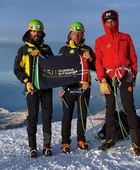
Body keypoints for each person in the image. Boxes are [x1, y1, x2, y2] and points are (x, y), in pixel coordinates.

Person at [94, 10, 140, 156]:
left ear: (117, 21)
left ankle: (136, 141)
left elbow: (133, 56)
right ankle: (110, 138)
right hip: (109, 75)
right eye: (107, 21)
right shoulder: (100, 41)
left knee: (129, 106)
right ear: (104, 23)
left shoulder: (125, 37)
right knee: (110, 107)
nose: (110, 23)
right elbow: (98, 62)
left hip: (125, 74)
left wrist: (133, 75)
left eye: (112, 21)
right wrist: (102, 79)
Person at [14, 19, 54, 158]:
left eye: (38, 31)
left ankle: (47, 145)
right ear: (29, 32)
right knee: (33, 117)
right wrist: (26, 81)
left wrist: (42, 56)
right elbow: (17, 69)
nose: (36, 34)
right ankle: (33, 147)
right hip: (32, 88)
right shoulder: (23, 50)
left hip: (46, 88)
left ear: (42, 33)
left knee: (47, 116)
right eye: (34, 31)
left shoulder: (47, 48)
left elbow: (53, 66)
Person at [58, 21, 96, 153]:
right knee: (67, 116)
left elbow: (95, 68)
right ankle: (65, 142)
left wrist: (90, 59)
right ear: (70, 34)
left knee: (82, 115)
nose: (77, 36)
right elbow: (59, 70)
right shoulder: (64, 50)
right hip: (69, 88)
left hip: (84, 87)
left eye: (80, 33)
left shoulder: (88, 49)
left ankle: (81, 140)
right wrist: (61, 87)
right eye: (75, 33)